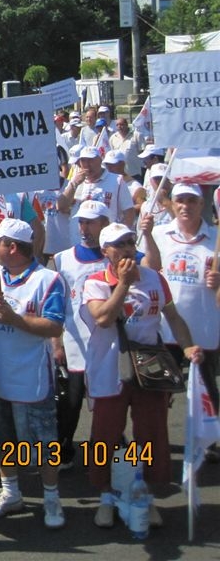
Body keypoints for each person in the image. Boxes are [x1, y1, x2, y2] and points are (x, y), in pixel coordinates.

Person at [81, 223, 203, 528]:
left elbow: (173, 318)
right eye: (118, 244)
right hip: (109, 371)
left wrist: (188, 348)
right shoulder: (95, 282)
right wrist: (122, 284)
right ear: (105, 250)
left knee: (151, 434)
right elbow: (104, 318)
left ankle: (143, 495)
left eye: (130, 242)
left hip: (148, 370)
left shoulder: (155, 278)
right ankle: (106, 496)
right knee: (105, 437)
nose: (126, 248)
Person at [0, 219, 67, 529]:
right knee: (1, 439)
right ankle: (10, 492)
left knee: (43, 443)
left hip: (31, 379)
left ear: (13, 247)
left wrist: (14, 318)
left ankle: (52, 498)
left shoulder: (49, 280)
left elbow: (53, 326)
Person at [142, 183, 220, 439]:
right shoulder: (161, 233)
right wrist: (149, 236)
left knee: (207, 391)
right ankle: (157, 442)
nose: (185, 206)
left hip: (204, 328)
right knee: (161, 392)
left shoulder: (215, 238)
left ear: (201, 204)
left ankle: (210, 442)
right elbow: (150, 269)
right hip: (166, 329)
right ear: (173, 204)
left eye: (191, 201)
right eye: (180, 200)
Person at [47, 200, 111, 469]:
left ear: (104, 225)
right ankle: (64, 450)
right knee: (70, 402)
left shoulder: (115, 258)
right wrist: (56, 343)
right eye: (81, 222)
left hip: (107, 344)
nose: (85, 228)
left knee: (107, 405)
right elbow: (56, 305)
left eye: (91, 222)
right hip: (73, 344)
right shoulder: (62, 259)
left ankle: (112, 450)